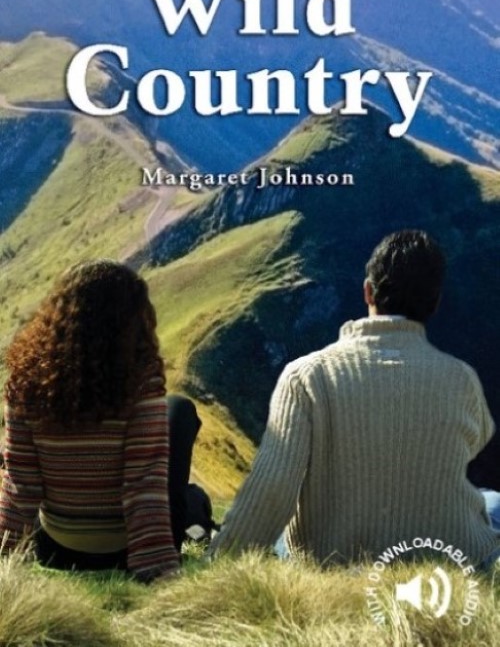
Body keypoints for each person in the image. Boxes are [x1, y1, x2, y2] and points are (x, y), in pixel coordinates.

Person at [209, 230, 500, 568]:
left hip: (334, 561)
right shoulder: (462, 378)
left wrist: (221, 563)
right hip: (450, 558)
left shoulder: (306, 377)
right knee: (492, 502)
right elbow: (477, 437)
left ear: (367, 292)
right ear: (434, 303)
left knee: (284, 534)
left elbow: (273, 486)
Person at [0, 260, 201, 582]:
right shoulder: (141, 379)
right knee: (179, 412)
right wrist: (159, 570)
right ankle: (192, 528)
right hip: (127, 551)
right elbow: (144, 481)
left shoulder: (27, 380)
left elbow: (21, 483)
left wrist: (4, 556)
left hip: (57, 549)